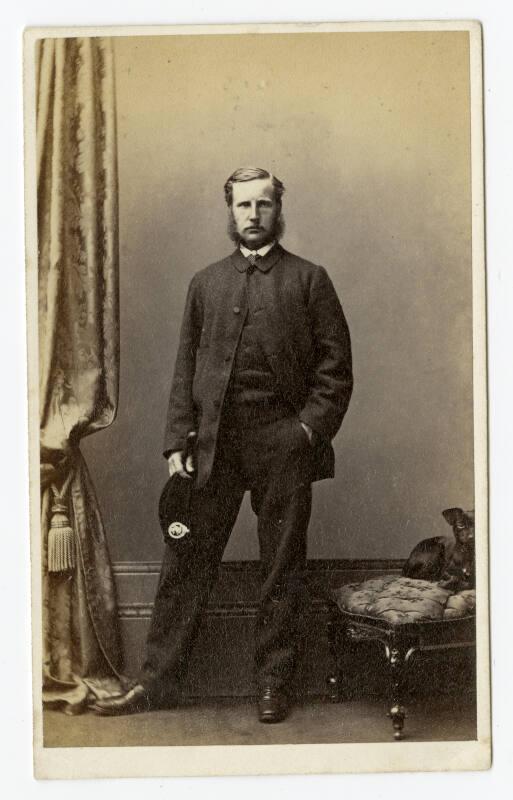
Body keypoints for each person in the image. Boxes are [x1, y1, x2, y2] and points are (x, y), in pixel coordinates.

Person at [93, 166, 353, 722]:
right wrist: (175, 443)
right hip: (212, 446)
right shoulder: (205, 283)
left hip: (282, 446)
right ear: (229, 213)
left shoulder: (310, 280)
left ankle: (273, 683)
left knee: (281, 564)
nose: (253, 216)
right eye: (242, 206)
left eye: (262, 205)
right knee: (186, 559)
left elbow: (336, 371)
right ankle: (158, 683)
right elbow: (186, 369)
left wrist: (306, 431)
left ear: (278, 211)